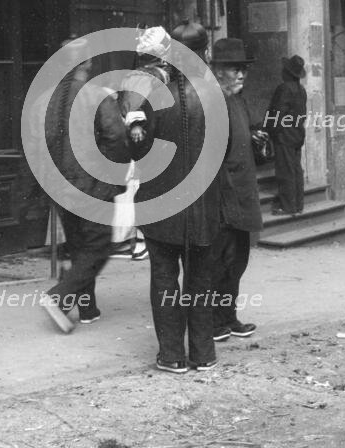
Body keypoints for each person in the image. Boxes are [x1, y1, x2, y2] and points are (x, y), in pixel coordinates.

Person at [133, 19, 222, 374]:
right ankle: (204, 354)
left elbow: (137, 148)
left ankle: (172, 355)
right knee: (201, 279)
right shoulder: (215, 94)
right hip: (204, 205)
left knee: (165, 277)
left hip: (162, 204)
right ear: (205, 52)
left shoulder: (155, 93)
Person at [27, 36, 130, 333]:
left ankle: (88, 308)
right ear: (88, 63)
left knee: (79, 246)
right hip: (92, 187)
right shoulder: (96, 95)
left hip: (59, 187)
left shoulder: (42, 101)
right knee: (98, 248)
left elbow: (35, 148)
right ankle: (59, 297)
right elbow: (118, 139)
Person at [210, 38, 264, 341]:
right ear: (218, 71)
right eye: (234, 69)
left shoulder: (237, 99)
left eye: (243, 69)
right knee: (221, 262)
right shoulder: (215, 102)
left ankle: (228, 317)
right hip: (224, 196)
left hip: (243, 194)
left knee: (238, 260)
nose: (241, 74)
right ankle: (216, 322)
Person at [110, 26, 173, 261]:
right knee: (138, 189)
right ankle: (136, 242)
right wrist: (137, 125)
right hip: (141, 138)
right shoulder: (149, 77)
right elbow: (136, 107)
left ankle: (133, 240)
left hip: (138, 136)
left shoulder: (136, 75)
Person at [265, 55, 307, 216]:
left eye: (284, 69)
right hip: (297, 135)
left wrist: (268, 130)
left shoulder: (284, 88)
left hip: (284, 136)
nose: (282, 71)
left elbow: (277, 114)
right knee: (296, 169)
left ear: (288, 73)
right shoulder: (301, 90)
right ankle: (298, 204)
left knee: (285, 171)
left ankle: (287, 206)